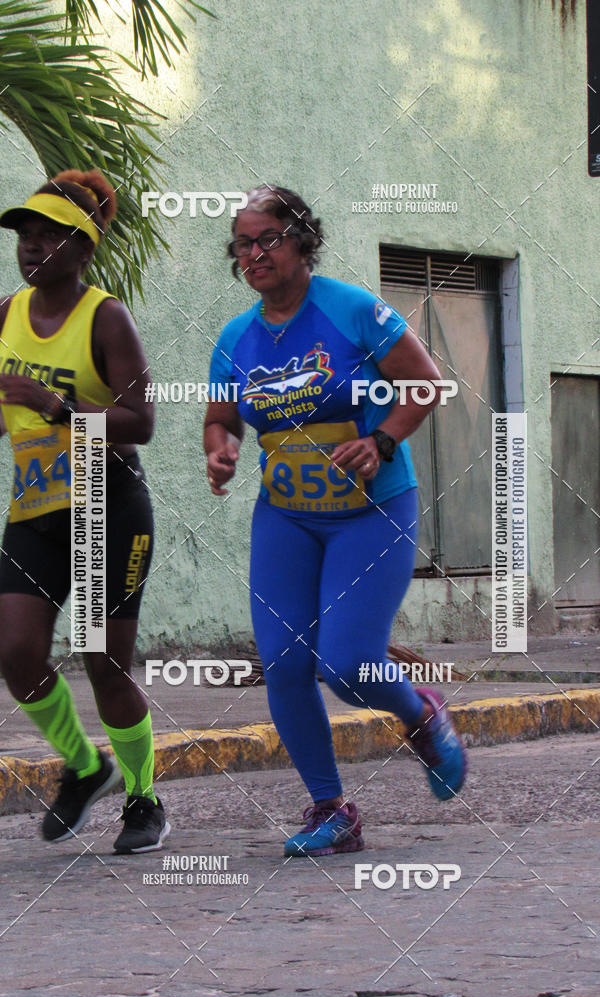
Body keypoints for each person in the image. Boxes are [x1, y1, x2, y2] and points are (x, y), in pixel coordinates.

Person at [204, 185, 467, 858]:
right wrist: (222, 447)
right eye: (243, 243)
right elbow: (221, 413)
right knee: (287, 663)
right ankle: (332, 809)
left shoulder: (352, 311)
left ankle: (422, 712)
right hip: (286, 517)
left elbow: (426, 382)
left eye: (268, 238)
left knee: (347, 665)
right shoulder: (236, 336)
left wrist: (381, 441)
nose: (254, 253)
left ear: (301, 241)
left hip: (370, 514)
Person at [0, 168, 170, 853]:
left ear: (83, 248)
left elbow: (141, 422)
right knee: (14, 651)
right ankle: (83, 764)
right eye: (25, 236)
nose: (32, 247)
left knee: (103, 660)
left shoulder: (105, 316)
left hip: (108, 509)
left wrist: (54, 404)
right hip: (35, 509)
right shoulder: (5, 313)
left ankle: (144, 799)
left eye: (50, 236)